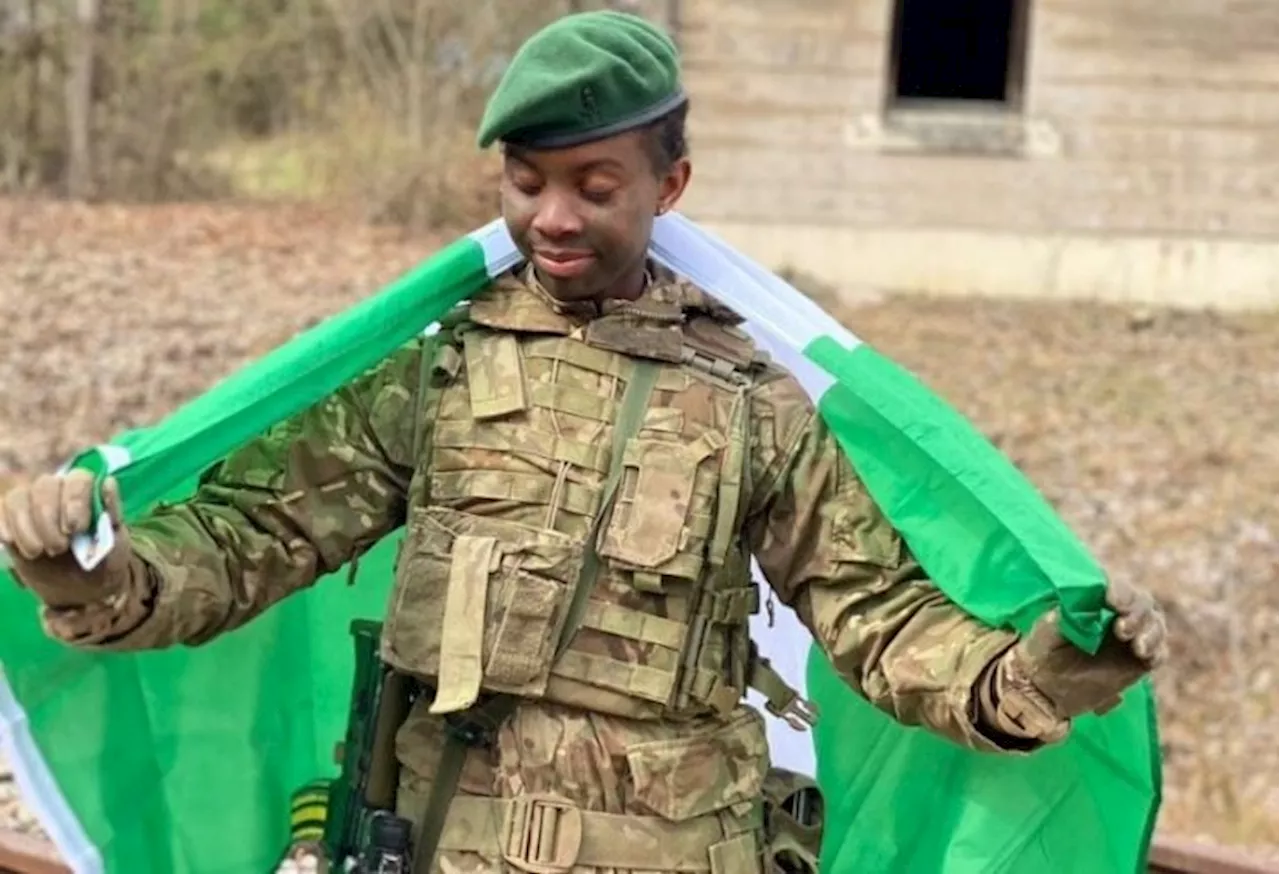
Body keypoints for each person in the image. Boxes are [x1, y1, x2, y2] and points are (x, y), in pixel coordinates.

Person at [0, 11, 1167, 874]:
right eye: (526, 180)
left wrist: (1026, 678)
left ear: (672, 184)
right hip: (442, 843)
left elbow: (880, 619)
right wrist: (98, 573)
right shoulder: (438, 370)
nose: (552, 216)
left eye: (593, 182)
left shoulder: (754, 406)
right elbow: (249, 536)